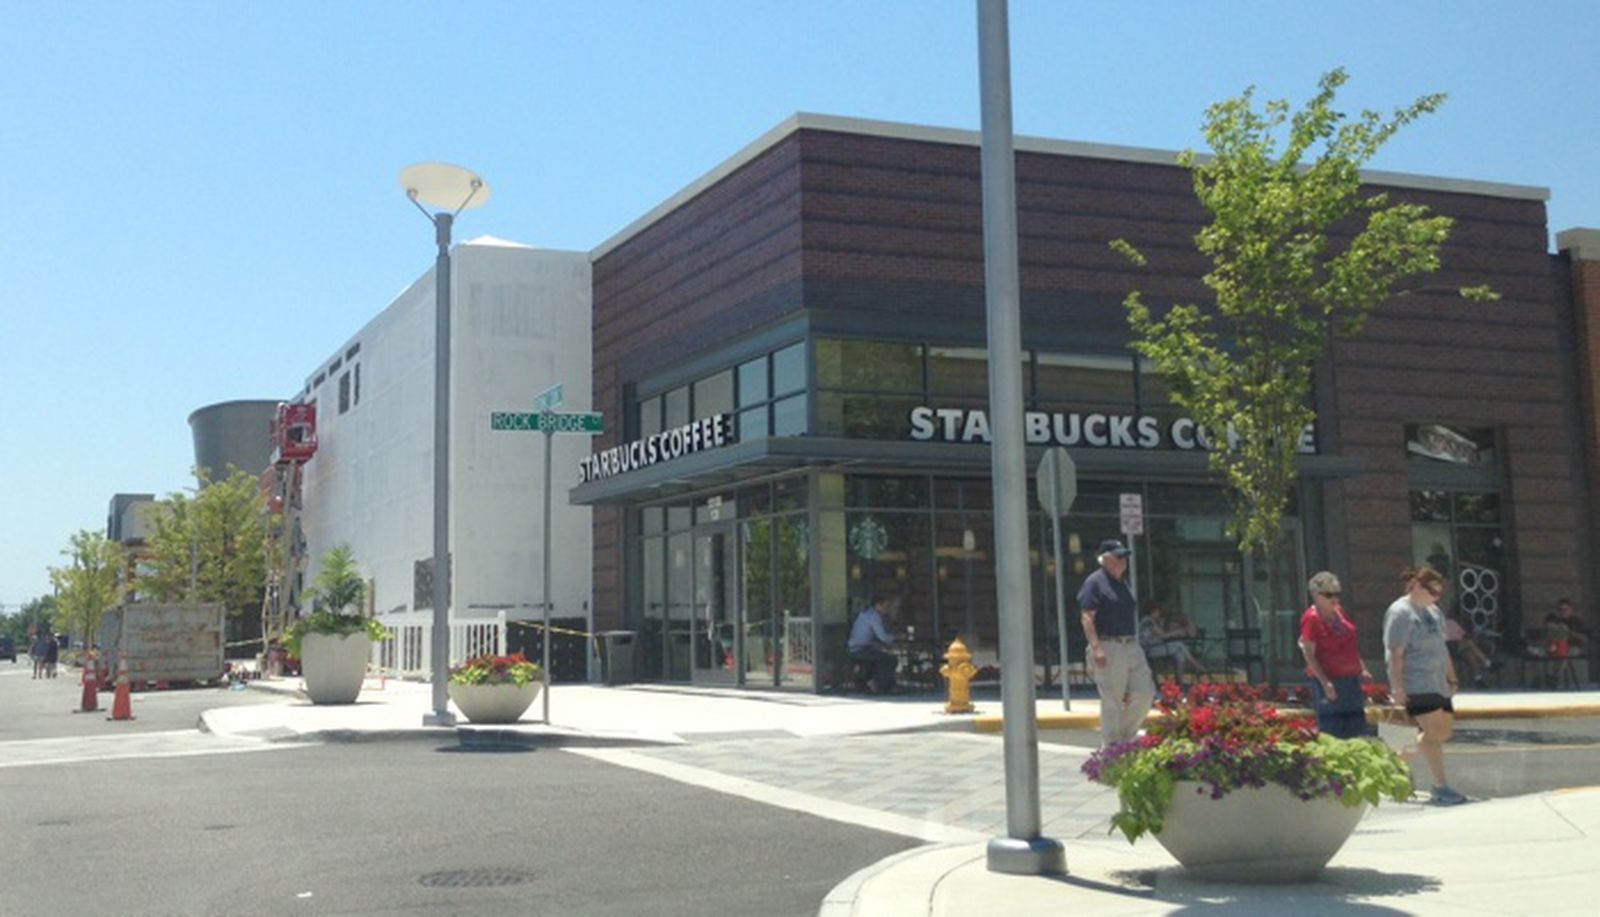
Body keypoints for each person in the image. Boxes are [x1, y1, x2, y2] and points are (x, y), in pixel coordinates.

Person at [1385, 565, 1467, 806]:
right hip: (1417, 682)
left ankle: (1395, 767)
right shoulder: (1400, 612)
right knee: (1432, 733)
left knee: (1442, 732)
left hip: (1438, 681)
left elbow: (1443, 648)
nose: (1436, 597)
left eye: (1439, 593)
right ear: (1417, 586)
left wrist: (1452, 676)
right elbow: (1395, 653)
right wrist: (1397, 687)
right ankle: (1440, 786)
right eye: (1432, 591)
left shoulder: (1434, 613)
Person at [1080, 539, 1153, 748]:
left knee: (1144, 694)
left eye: (1125, 557)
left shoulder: (1123, 583)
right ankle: (1112, 747)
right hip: (1108, 644)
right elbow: (1087, 617)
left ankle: (1125, 738)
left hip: (1130, 644)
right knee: (1112, 700)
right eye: (1119, 557)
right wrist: (1096, 648)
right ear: (1106, 559)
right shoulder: (1095, 582)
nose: (1123, 561)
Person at [1297, 571, 1372, 739]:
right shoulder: (1312, 618)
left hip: (1351, 680)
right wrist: (1325, 683)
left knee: (1356, 729)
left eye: (1337, 594)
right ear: (1316, 595)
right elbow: (1309, 654)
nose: (1334, 599)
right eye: (1328, 594)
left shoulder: (1339, 613)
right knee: (1333, 731)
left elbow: (1350, 644)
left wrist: (1362, 668)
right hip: (1330, 680)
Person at [847, 594, 899, 694]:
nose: (887, 609)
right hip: (860, 648)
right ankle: (883, 686)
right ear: (878, 605)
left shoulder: (866, 614)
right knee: (890, 659)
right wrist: (894, 638)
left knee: (881, 657)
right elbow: (883, 637)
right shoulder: (874, 617)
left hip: (856, 647)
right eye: (886, 606)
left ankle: (872, 683)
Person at [1139, 600, 1200, 679]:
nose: (1159, 614)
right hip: (1149, 649)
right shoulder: (1148, 621)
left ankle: (1180, 680)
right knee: (1179, 644)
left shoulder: (1150, 621)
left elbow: (1160, 634)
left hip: (1155, 646)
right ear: (1154, 611)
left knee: (1180, 654)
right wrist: (1176, 632)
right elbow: (1163, 635)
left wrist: (1162, 624)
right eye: (1158, 611)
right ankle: (1195, 665)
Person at [1445, 611, 1494, 687]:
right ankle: (1488, 664)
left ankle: (1478, 679)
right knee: (1469, 643)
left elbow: (1464, 634)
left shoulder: (1452, 622)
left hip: (1459, 645)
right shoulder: (1439, 624)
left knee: (1470, 654)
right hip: (1449, 647)